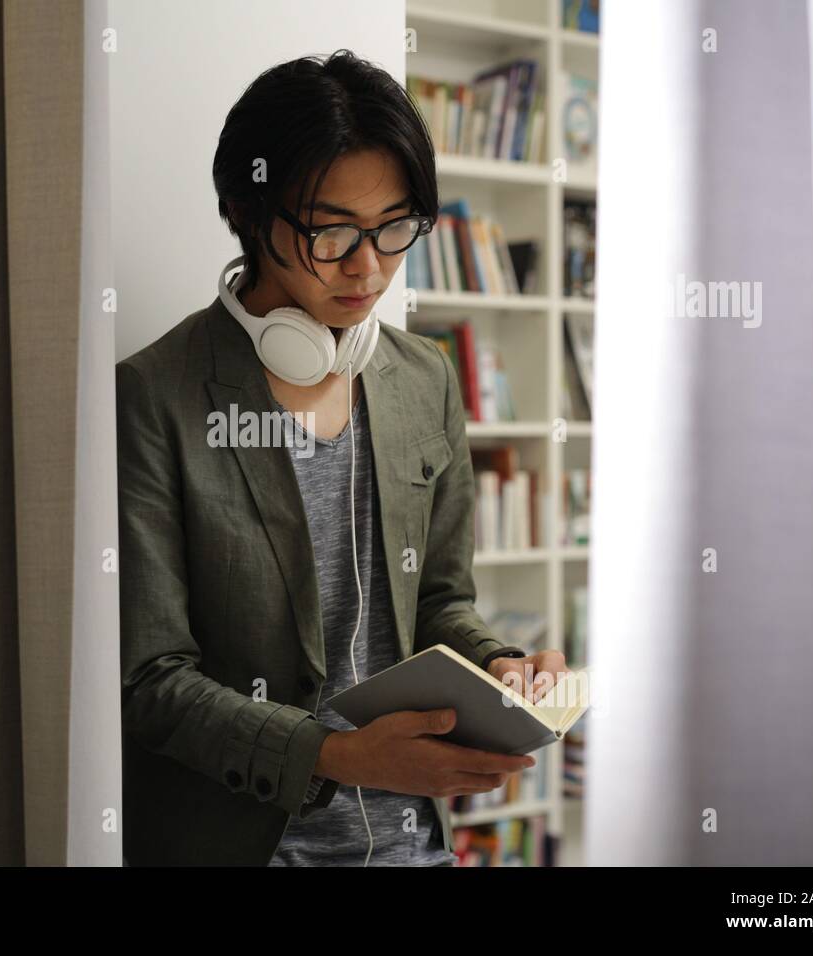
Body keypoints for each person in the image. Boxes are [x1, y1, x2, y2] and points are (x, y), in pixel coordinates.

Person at [116, 49, 567, 867]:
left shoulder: (421, 376)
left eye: (395, 228)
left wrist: (501, 666)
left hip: (413, 846)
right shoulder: (155, 396)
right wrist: (336, 757)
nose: (369, 268)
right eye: (330, 232)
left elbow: (436, 604)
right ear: (248, 215)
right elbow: (150, 683)